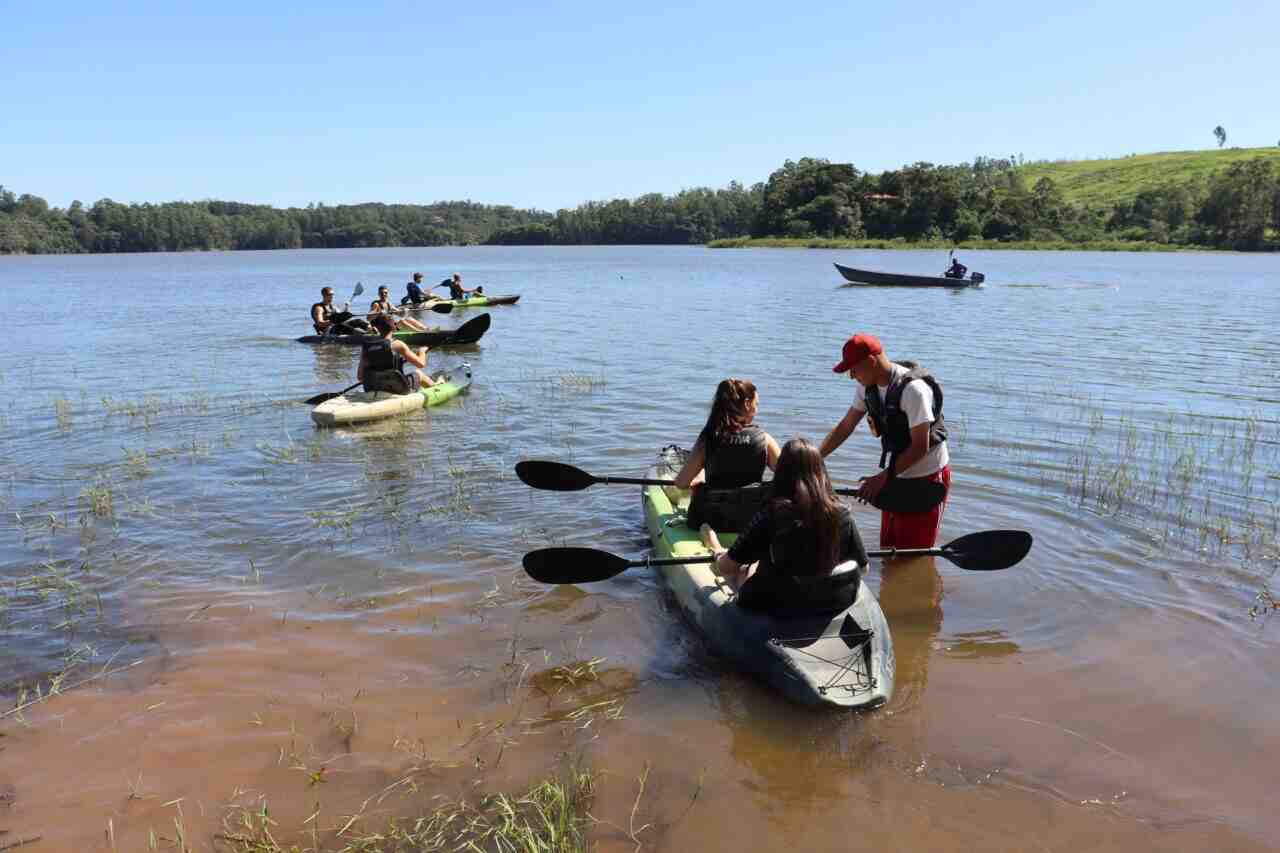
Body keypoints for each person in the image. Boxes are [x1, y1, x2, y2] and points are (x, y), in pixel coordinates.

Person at [701, 438, 869, 617]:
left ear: (781, 473)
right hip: (832, 600)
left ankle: (716, 546)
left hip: (780, 603)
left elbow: (727, 567)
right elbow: (864, 568)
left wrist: (718, 553)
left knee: (744, 569)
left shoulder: (771, 514)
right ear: (821, 472)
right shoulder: (842, 513)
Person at [820, 333, 950, 548]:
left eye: (854, 369)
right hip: (896, 475)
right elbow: (846, 426)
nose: (851, 376)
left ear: (871, 361)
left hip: (927, 480)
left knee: (913, 554)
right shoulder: (866, 386)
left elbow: (920, 447)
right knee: (890, 549)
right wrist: (816, 457)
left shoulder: (913, 391)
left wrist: (881, 479)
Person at [672, 378, 781, 532]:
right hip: (749, 521)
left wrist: (700, 476)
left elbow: (682, 483)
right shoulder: (764, 439)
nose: (757, 410)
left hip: (708, 520)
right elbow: (791, 476)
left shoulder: (708, 438)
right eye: (757, 405)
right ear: (747, 404)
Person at [357, 315, 439, 392]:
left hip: (372, 387)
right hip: (397, 388)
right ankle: (437, 389)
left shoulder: (366, 347)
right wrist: (422, 351)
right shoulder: (397, 344)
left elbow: (360, 377)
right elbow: (421, 364)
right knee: (419, 373)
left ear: (378, 328)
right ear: (393, 327)